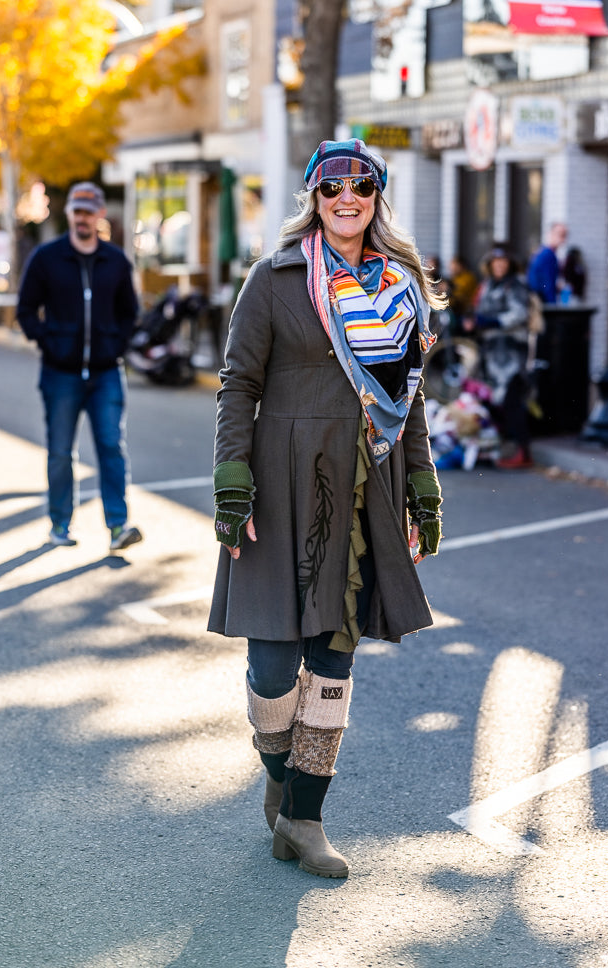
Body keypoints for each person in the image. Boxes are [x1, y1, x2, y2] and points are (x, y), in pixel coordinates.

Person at [207, 139, 445, 878]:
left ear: (376, 197)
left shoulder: (400, 285)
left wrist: (422, 487)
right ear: (313, 196)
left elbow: (407, 399)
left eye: (362, 187)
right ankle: (276, 768)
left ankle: (305, 818)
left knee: (332, 655)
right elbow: (238, 383)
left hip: (361, 484)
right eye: (333, 187)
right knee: (274, 662)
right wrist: (232, 478)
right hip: (277, 483)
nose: (348, 198)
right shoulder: (274, 278)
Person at [17, 182, 143, 551]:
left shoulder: (115, 261)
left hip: (106, 373)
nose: (82, 218)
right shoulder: (47, 257)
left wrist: (114, 346)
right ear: (69, 213)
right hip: (61, 373)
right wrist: (49, 341)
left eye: (89, 211)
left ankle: (118, 527)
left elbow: (129, 313)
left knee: (110, 447)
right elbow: (26, 311)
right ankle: (59, 524)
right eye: (77, 211)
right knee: (60, 451)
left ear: (99, 214)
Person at [465, 243, 533, 468]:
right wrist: (472, 322)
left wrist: (493, 321)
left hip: (511, 352)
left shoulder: (515, 285)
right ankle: (503, 447)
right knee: (493, 401)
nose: (500, 266)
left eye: (503, 262)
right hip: (490, 353)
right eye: (496, 262)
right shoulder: (486, 285)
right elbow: (479, 311)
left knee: (513, 400)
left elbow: (520, 313)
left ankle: (522, 451)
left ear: (510, 264)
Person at [527, 222, 568, 306]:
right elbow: (547, 283)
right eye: (560, 235)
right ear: (551, 234)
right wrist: (552, 306)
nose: (562, 239)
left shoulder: (543, 252)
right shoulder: (548, 255)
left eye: (564, 235)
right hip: (541, 301)